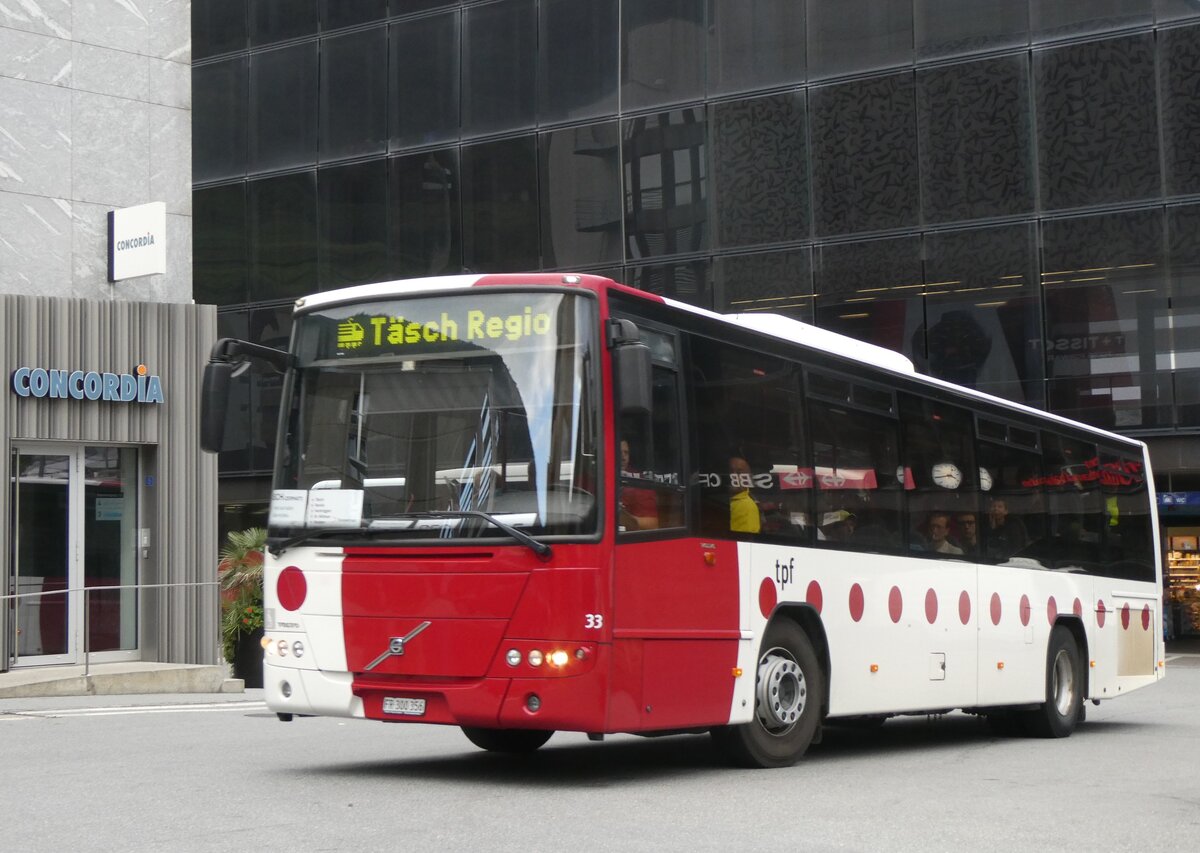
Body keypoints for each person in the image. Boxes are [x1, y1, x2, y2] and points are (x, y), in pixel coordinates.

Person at [619, 439, 658, 531]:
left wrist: (626, 519)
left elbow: (653, 524)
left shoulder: (638, 481)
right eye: (618, 452)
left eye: (626, 453)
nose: (623, 458)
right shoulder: (594, 477)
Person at [729, 455, 761, 533]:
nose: (733, 476)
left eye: (739, 472)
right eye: (730, 471)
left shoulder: (746, 506)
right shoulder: (726, 498)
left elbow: (744, 540)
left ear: (748, 477)